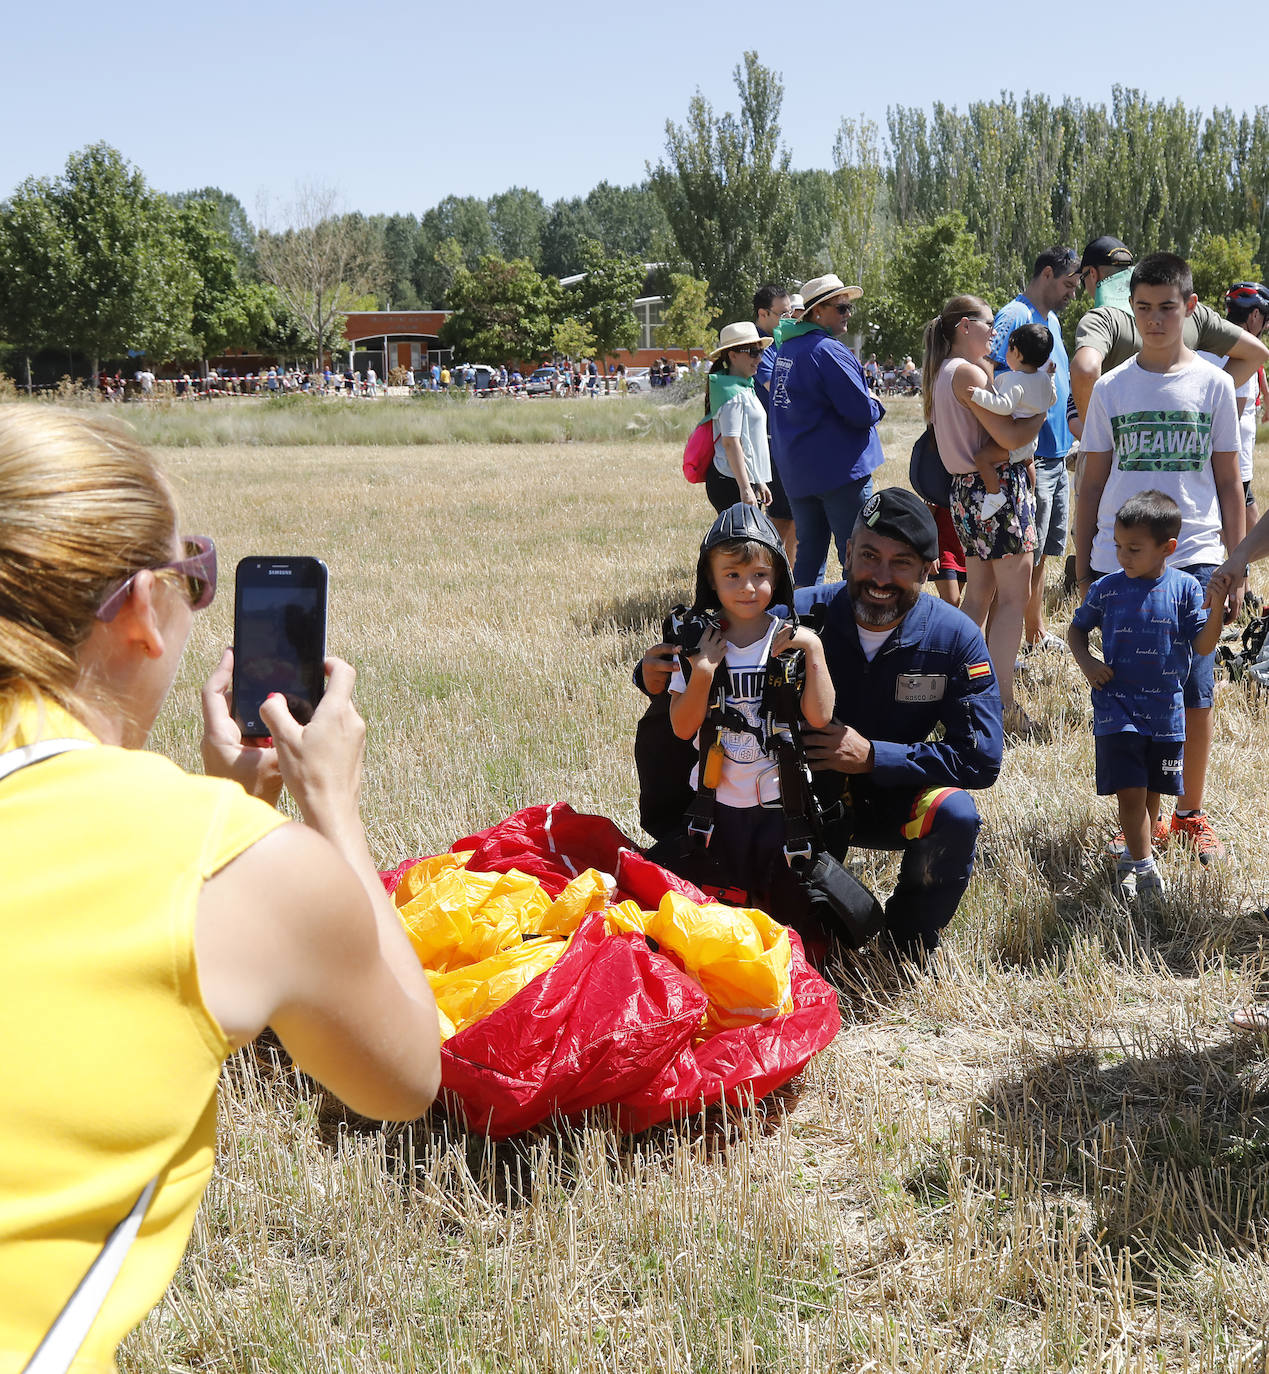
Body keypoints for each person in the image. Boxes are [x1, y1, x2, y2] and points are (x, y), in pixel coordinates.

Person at [0, 408, 440, 1368]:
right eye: (192, 574)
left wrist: (219, 809)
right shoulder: (233, 866)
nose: (196, 597)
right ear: (137, 611)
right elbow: (405, 1076)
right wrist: (328, 808)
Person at [637, 488, 1003, 960]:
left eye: (902, 563)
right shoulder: (796, 615)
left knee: (955, 814)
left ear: (929, 568)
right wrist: (650, 674)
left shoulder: (956, 638)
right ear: (846, 553)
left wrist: (874, 756)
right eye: (869, 556)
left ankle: (906, 945)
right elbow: (719, 631)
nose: (881, 577)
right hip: (800, 805)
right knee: (797, 944)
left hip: (895, 797)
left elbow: (981, 757)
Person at [1073, 252, 1244, 863]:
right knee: (1132, 693)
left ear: (1190, 308)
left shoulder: (1215, 384)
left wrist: (1236, 565)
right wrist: (1083, 559)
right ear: (1131, 309)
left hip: (1194, 558)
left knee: (1194, 691)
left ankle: (1189, 813)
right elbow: (1092, 481)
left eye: (1167, 307)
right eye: (1142, 307)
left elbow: (1229, 482)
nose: (1154, 319)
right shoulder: (1112, 388)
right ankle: (1140, 821)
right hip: (1121, 561)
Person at [646, 504, 834, 917]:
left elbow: (820, 717)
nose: (747, 587)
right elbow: (682, 728)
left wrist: (815, 649)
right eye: (732, 575)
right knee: (715, 916)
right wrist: (703, 672)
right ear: (710, 580)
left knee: (789, 918)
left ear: (778, 578)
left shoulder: (792, 641)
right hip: (716, 811)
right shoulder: (696, 643)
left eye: (760, 575)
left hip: (781, 811)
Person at [1068, 491, 1223, 902]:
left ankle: (1133, 858)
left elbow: (1204, 645)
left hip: (1165, 712)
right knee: (1131, 789)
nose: (1123, 556)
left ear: (1167, 548)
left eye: (1134, 549)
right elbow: (1076, 629)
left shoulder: (1185, 589)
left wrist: (1219, 607)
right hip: (1117, 707)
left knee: (1153, 791)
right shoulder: (1107, 589)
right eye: (1118, 546)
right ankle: (1145, 868)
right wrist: (1088, 663)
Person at [921, 296, 1046, 727]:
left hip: (965, 491)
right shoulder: (969, 372)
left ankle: (952, 691)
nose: (995, 330)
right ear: (963, 326)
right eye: (988, 322)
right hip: (997, 489)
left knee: (978, 596)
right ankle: (1001, 703)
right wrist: (1040, 416)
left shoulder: (945, 371)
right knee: (1013, 598)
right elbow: (1008, 437)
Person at [1070, 235, 1269, 429]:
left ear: (1092, 274)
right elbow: (1256, 353)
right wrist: (1202, 401)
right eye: (1144, 307)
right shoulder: (1191, 311)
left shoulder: (1101, 320)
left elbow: (1085, 370)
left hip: (1125, 447)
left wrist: (1096, 433)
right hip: (1183, 440)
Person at [988, 247, 1081, 650]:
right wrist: (1014, 443)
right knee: (1016, 558)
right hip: (1029, 459)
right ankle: (996, 643)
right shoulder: (1013, 316)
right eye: (1068, 283)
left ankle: (1035, 632)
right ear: (1046, 274)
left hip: (1056, 455)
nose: (1073, 292)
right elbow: (992, 377)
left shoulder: (1053, 321)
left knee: (1040, 552)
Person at [768, 273, 886, 588]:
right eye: (841, 308)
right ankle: (857, 617)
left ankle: (801, 616)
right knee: (858, 553)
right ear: (817, 312)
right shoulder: (828, 350)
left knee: (809, 556)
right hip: (840, 473)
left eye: (849, 307)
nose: (848, 314)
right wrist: (876, 404)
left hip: (799, 473)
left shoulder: (787, 350)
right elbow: (861, 412)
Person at [967, 322, 1055, 520]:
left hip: (1014, 442)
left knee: (982, 458)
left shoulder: (1015, 380)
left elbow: (1004, 406)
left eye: (1009, 348)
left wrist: (979, 396)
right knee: (1028, 462)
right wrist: (1050, 377)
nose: (1005, 353)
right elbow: (1051, 399)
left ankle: (994, 494)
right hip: (1031, 442)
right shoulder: (1042, 379)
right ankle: (1031, 494)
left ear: (1018, 354)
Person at [701, 322, 776, 514]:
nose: (759, 358)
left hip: (741, 480)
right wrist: (745, 488)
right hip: (732, 482)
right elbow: (731, 443)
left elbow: (748, 442)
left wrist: (758, 481)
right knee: (738, 534)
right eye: (753, 352)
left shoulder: (744, 386)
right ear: (733, 356)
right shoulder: (732, 394)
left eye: (761, 352)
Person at [751, 282, 797, 564]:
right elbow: (776, 388)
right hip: (770, 442)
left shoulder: (782, 341)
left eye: (791, 312)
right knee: (780, 516)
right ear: (763, 314)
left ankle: (790, 577)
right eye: (782, 314)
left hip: (785, 438)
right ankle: (772, 572)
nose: (788, 319)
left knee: (794, 515)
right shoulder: (757, 347)